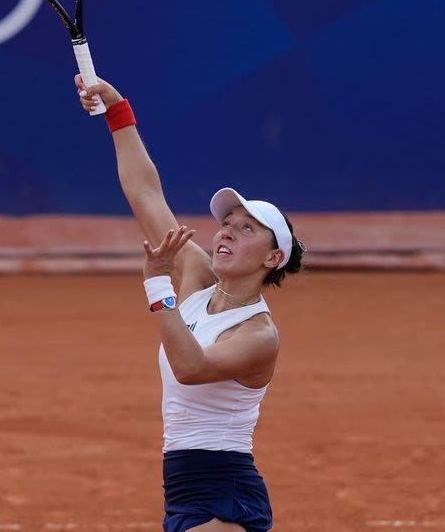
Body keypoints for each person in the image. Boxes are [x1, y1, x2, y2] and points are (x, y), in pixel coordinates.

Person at [75, 75, 305, 532]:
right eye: (227, 222)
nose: (227, 231)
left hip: (225, 492)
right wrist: (119, 110)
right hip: (183, 486)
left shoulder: (258, 334)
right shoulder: (196, 276)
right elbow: (145, 194)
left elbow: (191, 368)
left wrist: (159, 287)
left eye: (246, 229)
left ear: (273, 257)